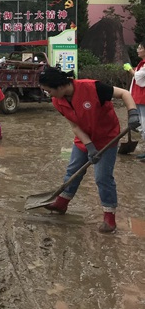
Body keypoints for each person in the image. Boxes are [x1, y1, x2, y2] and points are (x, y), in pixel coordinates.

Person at [38, 66, 141, 233]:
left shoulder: (93, 88)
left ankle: (109, 217)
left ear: (60, 85)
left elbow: (124, 94)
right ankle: (62, 203)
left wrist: (133, 113)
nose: (48, 94)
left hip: (106, 137)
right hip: (84, 139)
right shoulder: (58, 101)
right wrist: (89, 146)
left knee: (103, 177)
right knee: (73, 170)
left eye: (49, 90)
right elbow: (74, 126)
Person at [127, 42, 145, 157]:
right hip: (138, 97)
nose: (137, 50)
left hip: (143, 98)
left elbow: (138, 76)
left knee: (144, 123)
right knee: (140, 123)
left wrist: (130, 70)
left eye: (140, 48)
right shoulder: (141, 63)